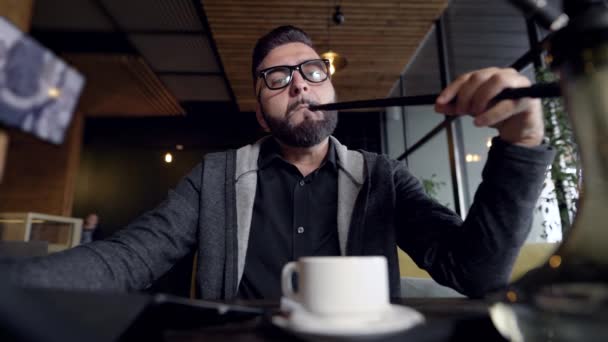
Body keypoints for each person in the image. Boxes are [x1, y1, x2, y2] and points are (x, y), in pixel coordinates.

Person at [6, 26, 554, 299]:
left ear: (331, 84)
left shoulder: (383, 178)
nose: (298, 83)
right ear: (260, 110)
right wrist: (16, 289)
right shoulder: (216, 177)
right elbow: (127, 259)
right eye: (277, 77)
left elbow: (477, 271)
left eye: (312, 71)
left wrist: (521, 143)